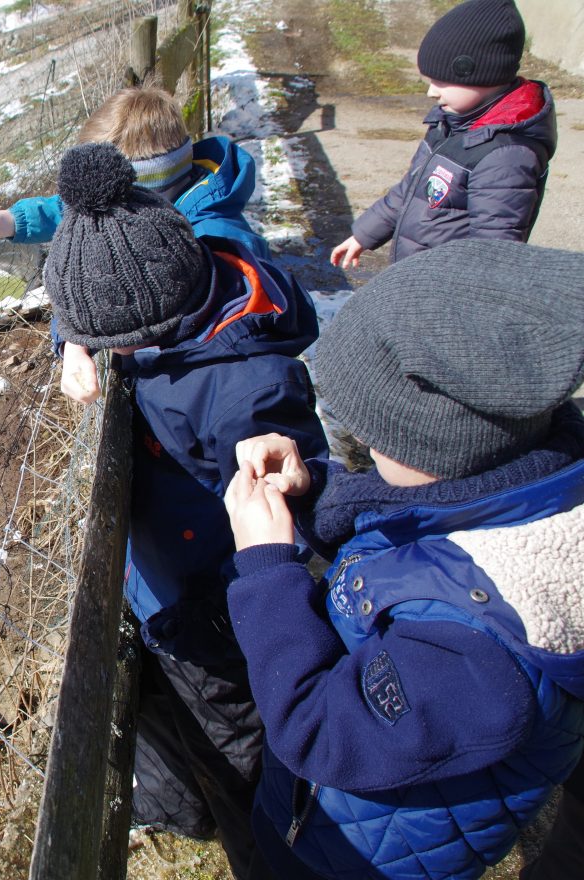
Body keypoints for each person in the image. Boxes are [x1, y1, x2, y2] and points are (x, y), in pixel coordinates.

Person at [224, 238, 584, 879]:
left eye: (368, 427)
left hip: (360, 858)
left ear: (425, 436)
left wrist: (268, 566)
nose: (357, 437)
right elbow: (419, 534)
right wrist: (319, 488)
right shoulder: (510, 488)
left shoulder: (482, 646)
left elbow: (322, 732)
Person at [42, 142, 328, 877]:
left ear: (146, 329)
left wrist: (289, 473)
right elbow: (95, 298)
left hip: (218, 601)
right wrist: (71, 344)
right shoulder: (178, 278)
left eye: (109, 345)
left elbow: (298, 480)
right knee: (195, 729)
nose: (108, 354)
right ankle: (215, 807)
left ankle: (271, 847)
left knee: (239, 746)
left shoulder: (241, 393)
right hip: (177, 577)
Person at [0, 85, 267, 405]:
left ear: (143, 195)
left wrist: (80, 336)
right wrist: (3, 222)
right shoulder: (143, 209)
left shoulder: (215, 244)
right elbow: (65, 209)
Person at [330, 0, 555, 268]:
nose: (431, 92)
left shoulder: (504, 154)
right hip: (420, 274)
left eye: (441, 82)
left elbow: (493, 250)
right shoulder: (452, 122)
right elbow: (410, 191)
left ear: (480, 74)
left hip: (448, 290)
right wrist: (364, 234)